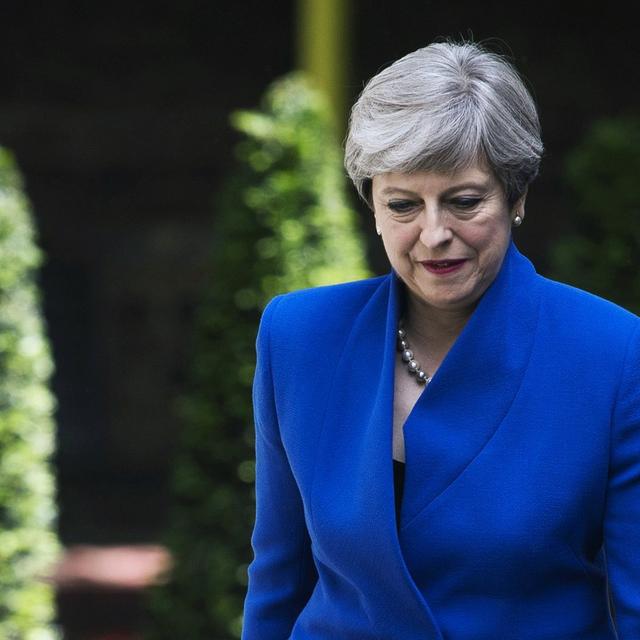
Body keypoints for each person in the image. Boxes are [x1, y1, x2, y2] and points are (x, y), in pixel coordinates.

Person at [241, 40, 640, 639]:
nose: (433, 235)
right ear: (371, 206)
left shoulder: (613, 354)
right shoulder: (297, 337)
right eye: (403, 205)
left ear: (518, 196)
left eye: (464, 201)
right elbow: (278, 578)